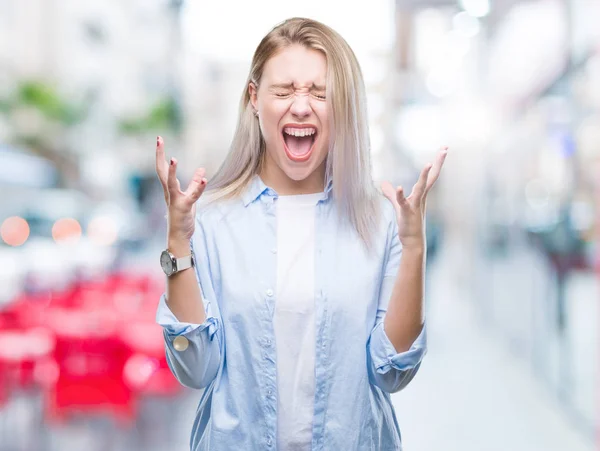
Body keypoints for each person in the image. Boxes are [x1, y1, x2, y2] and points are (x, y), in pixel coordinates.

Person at [154, 17, 447, 451]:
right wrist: (178, 238)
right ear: (255, 98)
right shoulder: (211, 220)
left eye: (320, 92)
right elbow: (195, 370)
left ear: (342, 106)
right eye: (284, 90)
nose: (301, 105)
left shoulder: (381, 221)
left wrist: (413, 248)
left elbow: (393, 371)